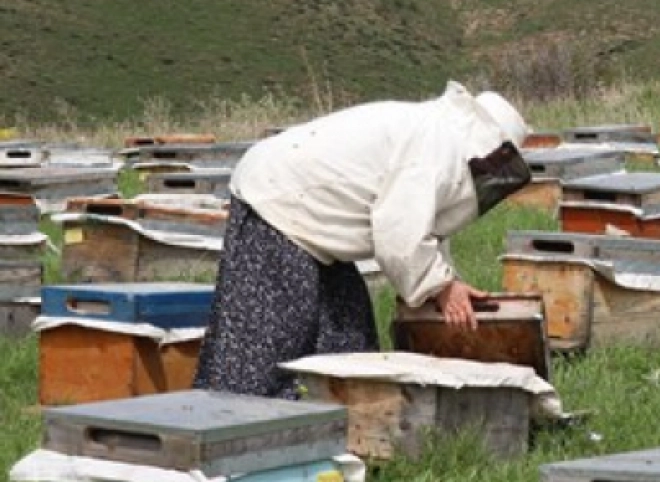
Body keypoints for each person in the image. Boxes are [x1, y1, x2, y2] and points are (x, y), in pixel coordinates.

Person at [193, 81, 534, 398]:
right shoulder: (434, 145)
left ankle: (347, 431)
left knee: (347, 339)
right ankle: (228, 435)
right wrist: (441, 287)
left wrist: (447, 282)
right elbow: (397, 234)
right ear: (493, 145)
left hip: (311, 220)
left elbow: (425, 229)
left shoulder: (439, 138)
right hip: (277, 203)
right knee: (266, 348)